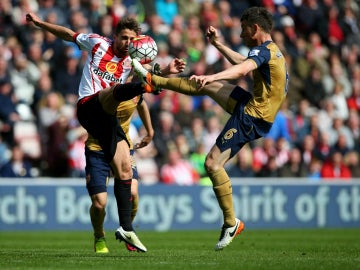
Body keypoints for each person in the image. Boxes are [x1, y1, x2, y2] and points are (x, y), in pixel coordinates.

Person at [132, 6, 288, 250]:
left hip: (253, 117)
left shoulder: (264, 51)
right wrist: (217, 45)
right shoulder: (270, 51)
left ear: (255, 28)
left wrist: (213, 76)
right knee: (203, 86)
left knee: (212, 164)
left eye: (244, 29)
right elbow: (244, 61)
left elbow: (243, 69)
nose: (241, 34)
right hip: (253, 106)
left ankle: (231, 222)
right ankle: (154, 80)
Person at [25, 13, 152, 253]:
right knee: (99, 203)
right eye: (123, 37)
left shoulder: (133, 62)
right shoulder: (97, 42)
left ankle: (127, 228)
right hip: (90, 110)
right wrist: (41, 24)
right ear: (115, 36)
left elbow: (140, 100)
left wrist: (151, 129)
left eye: (131, 39)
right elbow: (67, 34)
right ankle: (99, 236)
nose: (127, 43)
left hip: (110, 127)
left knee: (130, 184)